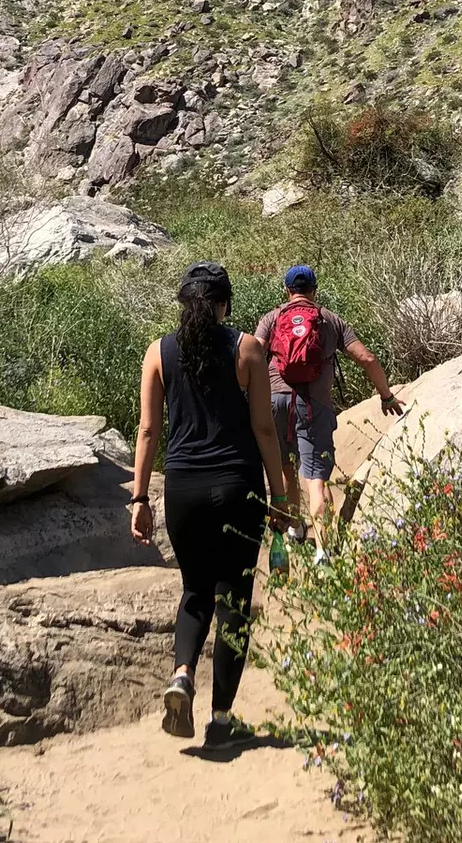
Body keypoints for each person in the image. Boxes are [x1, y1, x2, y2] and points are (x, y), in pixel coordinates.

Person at [129, 261, 287, 749]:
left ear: (184, 302)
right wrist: (281, 496)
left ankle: (181, 676)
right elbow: (264, 428)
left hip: (183, 489)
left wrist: (139, 498)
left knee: (194, 591)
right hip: (239, 486)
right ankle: (221, 719)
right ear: (224, 304)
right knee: (234, 598)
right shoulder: (248, 349)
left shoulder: (158, 352)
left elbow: (149, 430)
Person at [257, 264, 404, 557]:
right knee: (316, 480)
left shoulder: (272, 319)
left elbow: (253, 353)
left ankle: (294, 529)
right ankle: (323, 552)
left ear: (287, 291)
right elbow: (367, 357)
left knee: (287, 467)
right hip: (314, 405)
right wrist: (386, 396)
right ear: (314, 290)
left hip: (277, 401)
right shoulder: (329, 320)